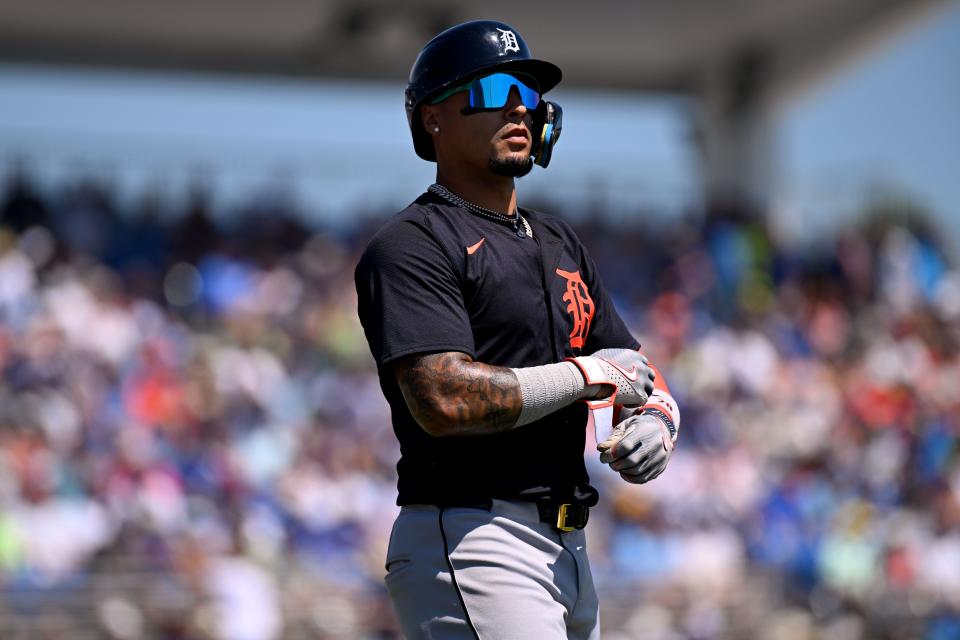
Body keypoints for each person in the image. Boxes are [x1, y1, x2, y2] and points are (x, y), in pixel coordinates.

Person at [354, 20, 681, 639]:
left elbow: (630, 363)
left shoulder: (559, 239)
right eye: (492, 88)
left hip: (569, 546)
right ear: (433, 118)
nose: (517, 107)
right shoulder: (413, 243)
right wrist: (588, 376)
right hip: (475, 532)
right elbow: (444, 398)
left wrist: (660, 416)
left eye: (527, 93)